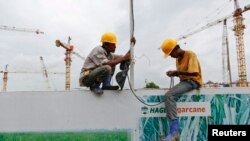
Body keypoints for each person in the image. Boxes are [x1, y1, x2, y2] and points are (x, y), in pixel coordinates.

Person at [160, 38, 203, 141]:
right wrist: (174, 73)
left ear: (175, 49)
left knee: (169, 95)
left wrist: (176, 73)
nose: (170, 56)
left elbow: (195, 73)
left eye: (170, 53)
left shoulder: (190, 54)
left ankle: (174, 133)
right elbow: (182, 74)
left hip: (193, 81)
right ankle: (173, 132)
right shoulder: (177, 59)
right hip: (184, 82)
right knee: (170, 95)